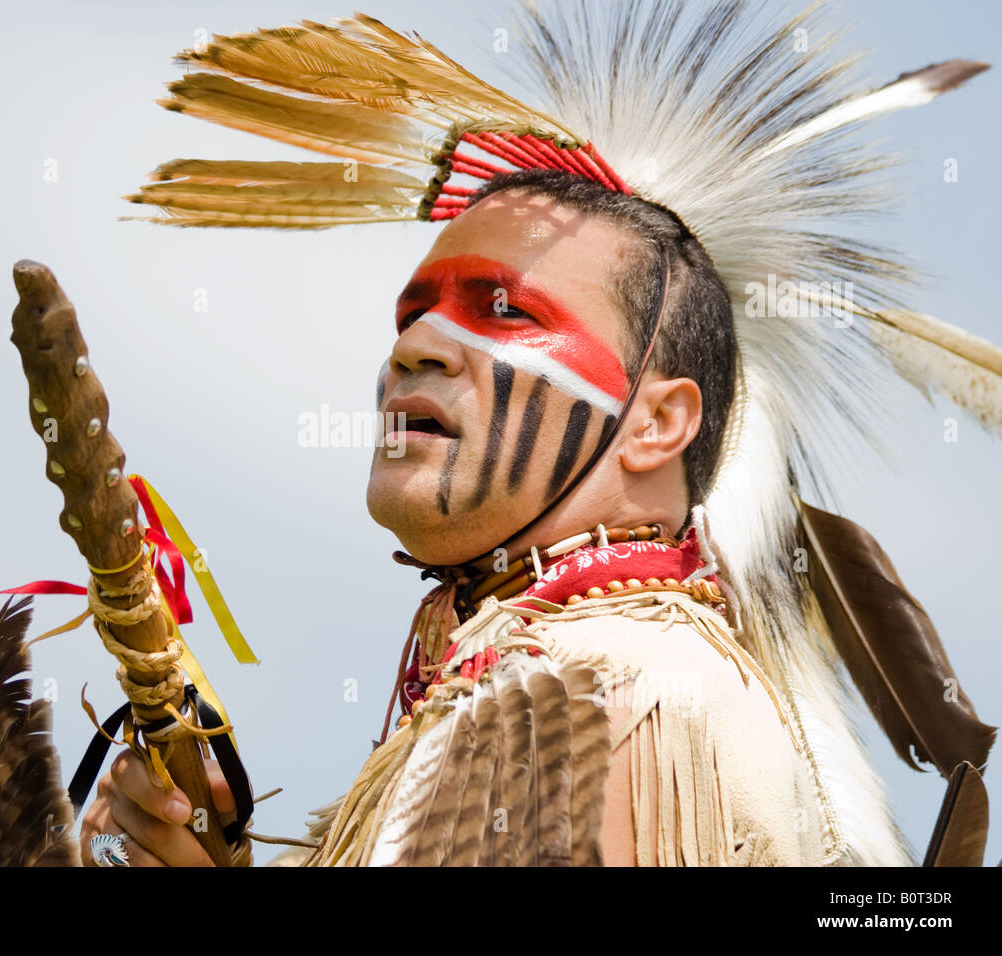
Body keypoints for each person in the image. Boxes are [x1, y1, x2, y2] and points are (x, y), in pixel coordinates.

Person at [81, 2, 998, 866]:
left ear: (657, 421)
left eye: (506, 310)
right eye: (415, 312)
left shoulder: (612, 689)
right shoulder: (543, 681)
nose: (416, 345)